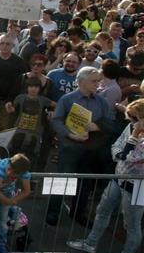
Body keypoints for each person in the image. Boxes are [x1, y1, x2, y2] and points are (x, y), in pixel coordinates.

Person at [67, 98, 144, 253]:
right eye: (129, 118)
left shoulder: (136, 130)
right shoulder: (131, 126)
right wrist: (123, 151)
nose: (131, 122)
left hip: (138, 186)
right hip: (118, 177)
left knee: (131, 225)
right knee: (102, 209)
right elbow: (117, 148)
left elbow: (129, 155)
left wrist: (131, 141)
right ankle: (91, 242)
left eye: (134, 118)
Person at [46, 67, 116, 227]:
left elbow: (110, 123)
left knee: (84, 183)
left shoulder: (102, 101)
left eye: (99, 81)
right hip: (70, 147)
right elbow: (56, 120)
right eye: (94, 81)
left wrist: (96, 127)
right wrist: (70, 134)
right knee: (62, 179)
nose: (98, 84)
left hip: (91, 149)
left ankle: (79, 213)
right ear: (81, 81)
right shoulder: (67, 99)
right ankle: (53, 212)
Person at [0, 154, 32, 253]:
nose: (11, 174)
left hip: (7, 192)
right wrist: (8, 201)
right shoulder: (0, 168)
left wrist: (13, 200)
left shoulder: (24, 172)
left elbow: (27, 191)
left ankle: (1, 243)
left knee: (3, 220)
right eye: (10, 171)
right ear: (9, 166)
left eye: (15, 175)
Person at [5, 78, 55, 162]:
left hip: (35, 132)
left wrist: (52, 111)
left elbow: (56, 104)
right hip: (19, 130)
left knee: (31, 154)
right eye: (31, 86)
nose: (33, 89)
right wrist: (9, 106)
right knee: (14, 151)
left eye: (36, 87)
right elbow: (12, 110)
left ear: (39, 88)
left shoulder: (43, 99)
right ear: (27, 87)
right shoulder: (20, 97)